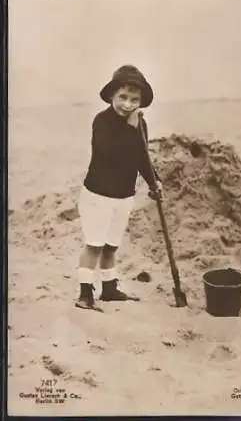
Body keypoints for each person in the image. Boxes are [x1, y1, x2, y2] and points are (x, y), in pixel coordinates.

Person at [75, 65, 162, 311]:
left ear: (141, 101)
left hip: (124, 194)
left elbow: (142, 157)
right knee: (95, 245)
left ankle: (109, 289)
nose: (127, 104)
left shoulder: (139, 125)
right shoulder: (102, 121)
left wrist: (154, 181)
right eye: (122, 97)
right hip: (98, 195)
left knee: (111, 245)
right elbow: (109, 152)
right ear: (112, 95)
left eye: (134, 99)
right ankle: (84, 295)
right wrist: (130, 127)